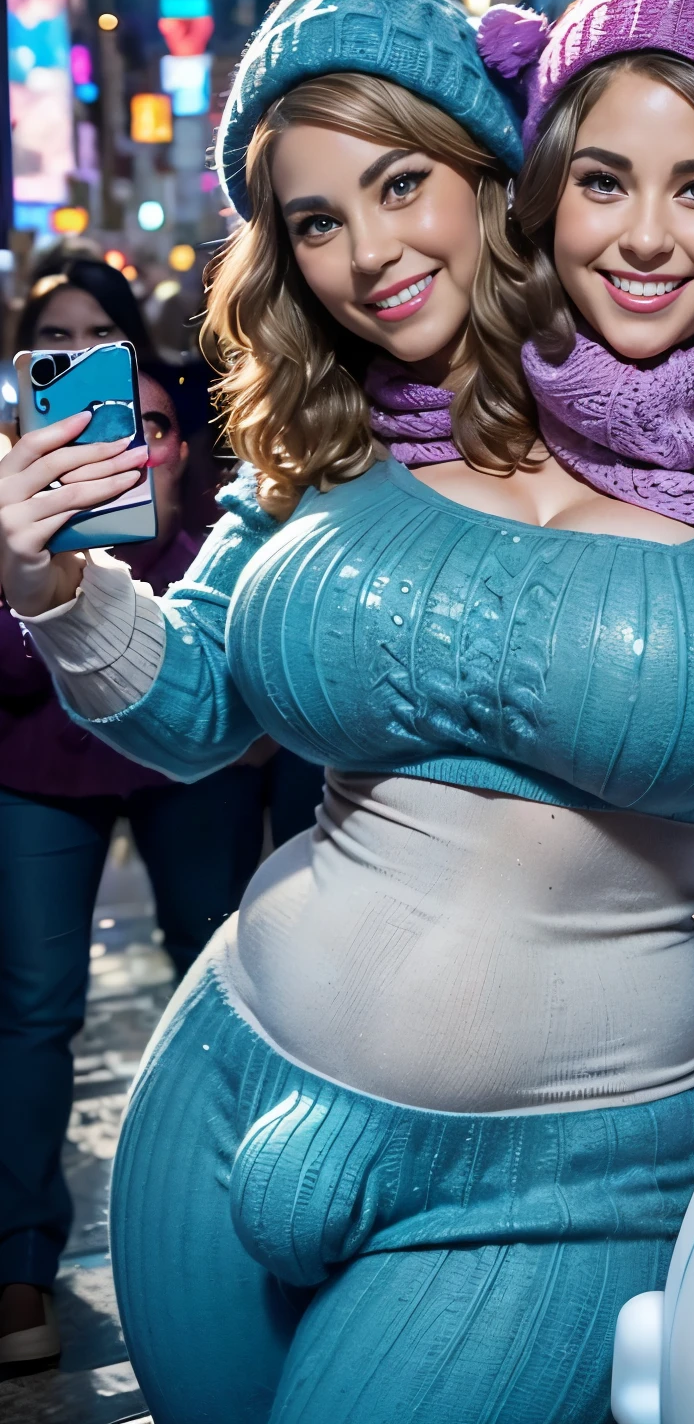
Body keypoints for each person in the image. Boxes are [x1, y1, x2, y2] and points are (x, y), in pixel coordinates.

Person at [3, 0, 694, 1423]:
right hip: (224, 1083)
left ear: (492, 176)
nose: (366, 251)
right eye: (314, 220)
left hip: (561, 1180)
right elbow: (193, 708)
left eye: (401, 182)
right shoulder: (341, 429)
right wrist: (54, 589)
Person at [0, 274, 286, 1375]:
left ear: (137, 353)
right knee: (30, 1009)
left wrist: (150, 526)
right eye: (51, 341)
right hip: (37, 775)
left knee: (215, 979)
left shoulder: (189, 451)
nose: (77, 356)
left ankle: (235, 1228)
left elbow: (213, 635)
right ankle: (21, 1263)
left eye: (98, 337)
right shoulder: (15, 479)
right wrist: (32, 570)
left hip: (181, 767)